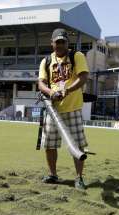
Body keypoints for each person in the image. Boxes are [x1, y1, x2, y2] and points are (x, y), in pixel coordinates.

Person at [38, 28, 89, 190]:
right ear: (52, 43)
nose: (60, 45)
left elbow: (83, 77)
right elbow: (41, 84)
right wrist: (51, 93)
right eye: (57, 42)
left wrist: (68, 90)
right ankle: (53, 174)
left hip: (72, 108)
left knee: (77, 146)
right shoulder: (46, 61)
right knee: (49, 145)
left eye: (63, 42)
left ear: (68, 43)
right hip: (52, 110)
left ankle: (79, 178)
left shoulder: (77, 56)